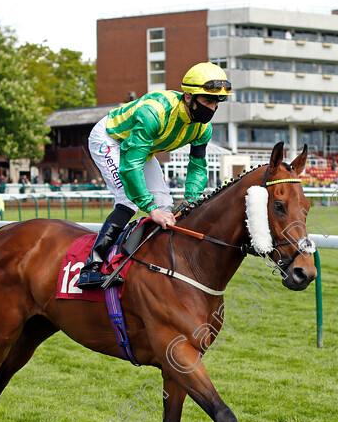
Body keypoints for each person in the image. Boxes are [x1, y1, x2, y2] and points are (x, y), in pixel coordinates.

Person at [76, 62, 231, 289]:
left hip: (141, 149)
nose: (213, 108)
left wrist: (191, 198)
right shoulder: (154, 112)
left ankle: (156, 264)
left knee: (166, 206)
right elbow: (131, 166)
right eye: (208, 101)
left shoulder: (202, 128)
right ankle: (91, 268)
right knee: (128, 199)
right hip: (110, 140)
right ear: (188, 97)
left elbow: (197, 166)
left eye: (217, 103)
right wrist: (150, 209)